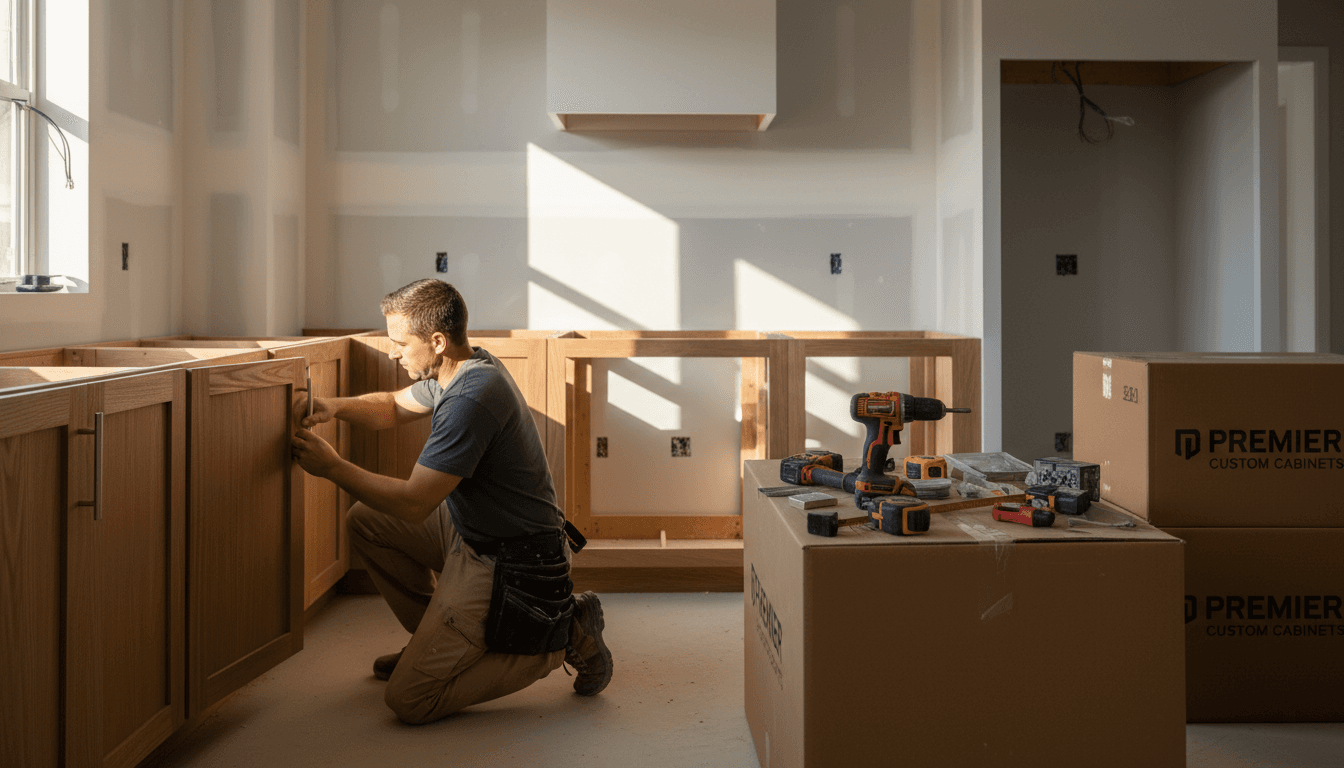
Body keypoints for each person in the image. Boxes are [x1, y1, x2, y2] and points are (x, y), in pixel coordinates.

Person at [290, 278, 612, 724]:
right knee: (365, 521)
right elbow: (393, 406)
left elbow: (412, 504)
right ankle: (434, 638)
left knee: (410, 699)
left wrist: (332, 467)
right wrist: (334, 406)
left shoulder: (472, 397)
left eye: (400, 342)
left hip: (512, 561)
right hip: (470, 531)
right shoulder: (458, 367)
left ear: (437, 342)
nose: (392, 352)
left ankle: (561, 636)